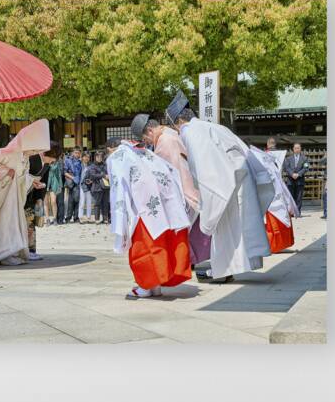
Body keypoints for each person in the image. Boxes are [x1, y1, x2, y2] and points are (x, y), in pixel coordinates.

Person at [167, 98, 272, 282]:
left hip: (225, 182)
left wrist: (206, 197)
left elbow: (204, 169)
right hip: (239, 177)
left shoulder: (191, 132)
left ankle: (223, 270)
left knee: (224, 229)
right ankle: (229, 268)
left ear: (179, 122)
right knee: (238, 228)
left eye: (175, 127)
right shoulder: (212, 127)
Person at [107, 123, 193, 300]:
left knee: (144, 248)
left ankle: (146, 285)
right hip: (163, 206)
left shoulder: (119, 156)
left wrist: (120, 216)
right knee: (159, 244)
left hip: (140, 208)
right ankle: (155, 286)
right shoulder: (147, 153)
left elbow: (118, 188)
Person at [133, 113, 211, 268]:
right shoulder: (171, 133)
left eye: (144, 138)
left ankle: (184, 261)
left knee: (180, 230)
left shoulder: (164, 142)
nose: (146, 142)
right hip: (194, 188)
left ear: (149, 130)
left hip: (183, 191)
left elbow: (165, 173)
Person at [0, 118, 50, 265]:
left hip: (15, 197)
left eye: (37, 150)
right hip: (5, 197)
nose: (34, 152)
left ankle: (15, 253)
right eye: (34, 149)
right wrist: (6, 173)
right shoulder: (8, 152)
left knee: (16, 225)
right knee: (5, 225)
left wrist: (31, 181)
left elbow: (21, 175)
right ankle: (4, 255)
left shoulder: (25, 157)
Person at [281, 142, 308, 215]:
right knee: (291, 197)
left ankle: (298, 212)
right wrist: (292, 174)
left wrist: (298, 174)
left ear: (300, 149)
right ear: (293, 149)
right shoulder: (288, 158)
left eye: (298, 148)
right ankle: (291, 212)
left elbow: (306, 168)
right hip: (290, 180)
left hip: (300, 180)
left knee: (299, 197)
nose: (297, 149)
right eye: (295, 148)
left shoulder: (304, 158)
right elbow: (286, 168)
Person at [63, 148, 83, 222]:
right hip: (71, 182)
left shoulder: (81, 161)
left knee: (77, 200)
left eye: (78, 153)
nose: (77, 154)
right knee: (71, 200)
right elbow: (64, 172)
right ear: (72, 153)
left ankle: (76, 217)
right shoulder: (68, 160)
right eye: (76, 152)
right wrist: (73, 178)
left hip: (79, 181)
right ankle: (68, 217)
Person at [45, 149, 64, 223]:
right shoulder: (44, 162)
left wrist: (60, 185)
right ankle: (47, 219)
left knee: (53, 201)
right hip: (45, 182)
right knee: (46, 202)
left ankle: (54, 218)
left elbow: (59, 175)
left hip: (54, 184)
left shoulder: (57, 162)